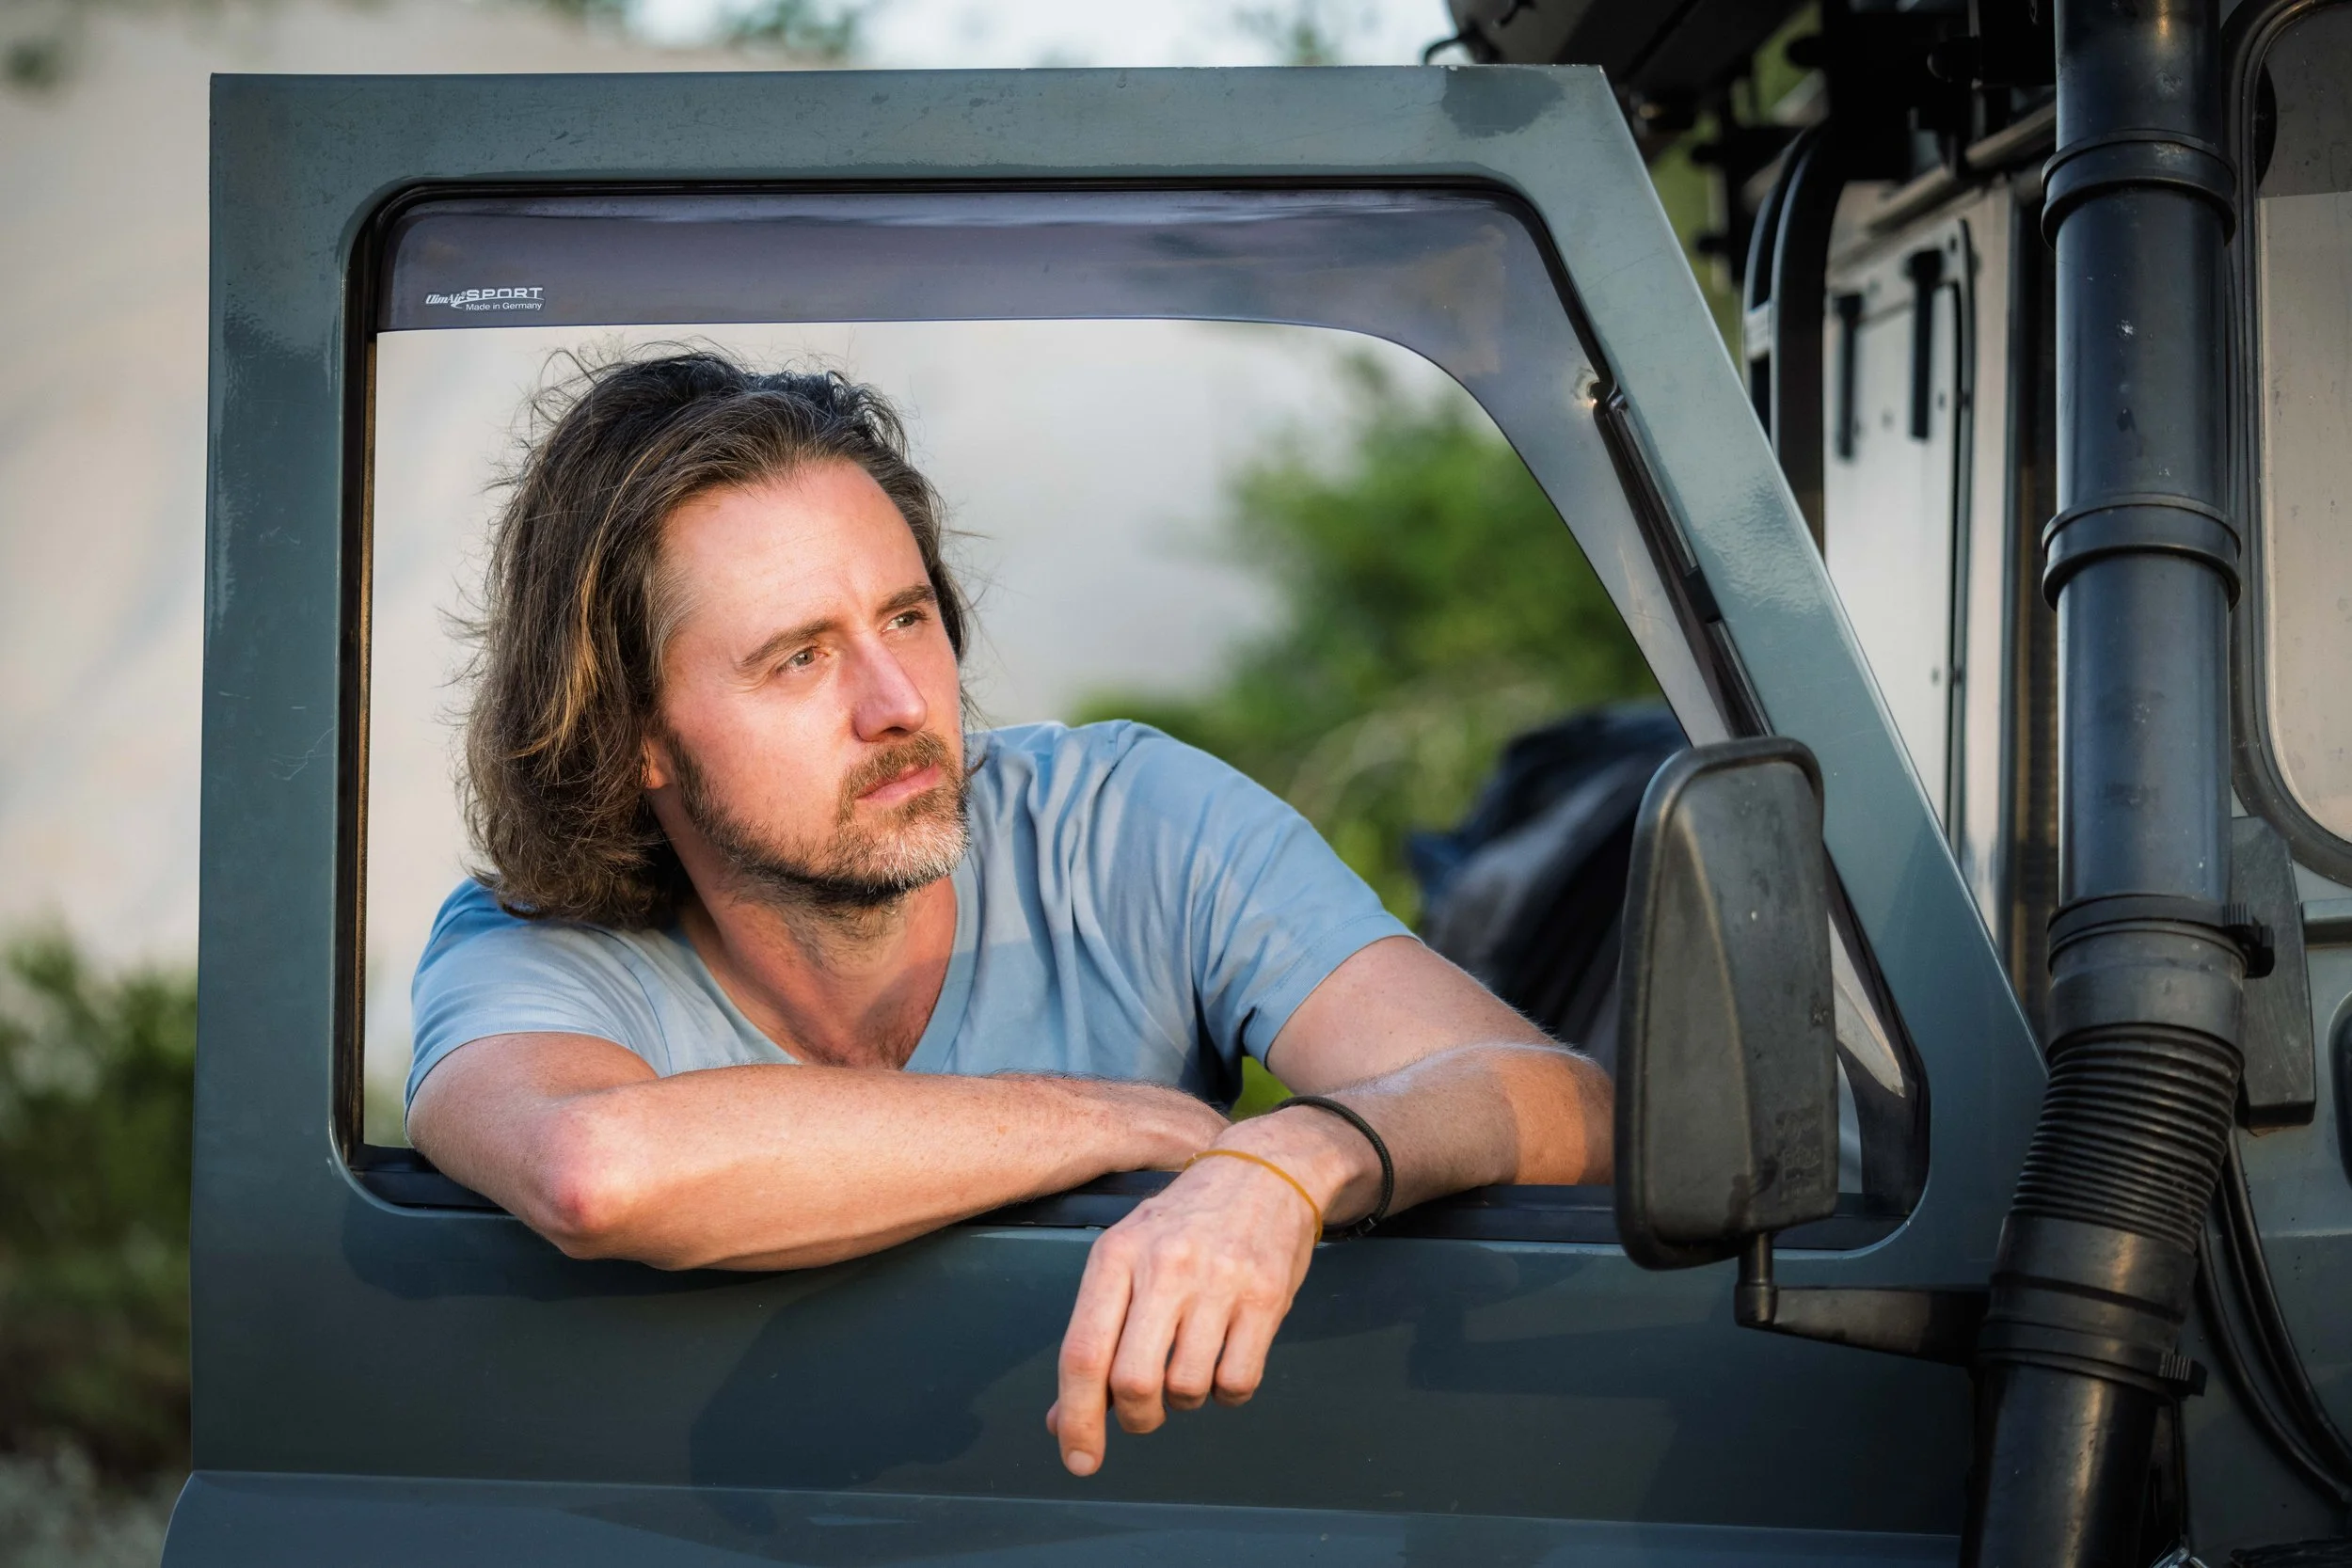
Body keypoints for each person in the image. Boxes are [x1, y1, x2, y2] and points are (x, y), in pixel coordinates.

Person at [405, 351, 1613, 1479]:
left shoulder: (1130, 817)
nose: (896, 704)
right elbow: (595, 1169)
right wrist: (1113, 1117)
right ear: (635, 743)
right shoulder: (528, 945)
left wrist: (1291, 1155)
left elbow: (1553, 1099)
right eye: (798, 658)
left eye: (906, 616)